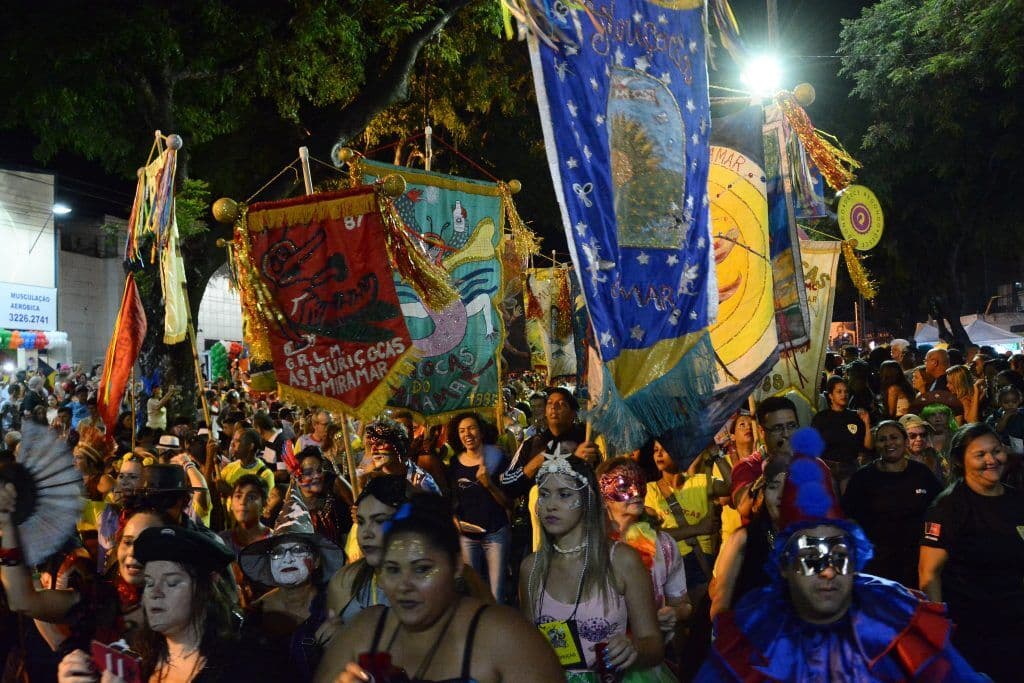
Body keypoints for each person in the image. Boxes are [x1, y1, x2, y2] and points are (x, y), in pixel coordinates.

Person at [697, 428, 984, 681]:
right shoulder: (754, 633)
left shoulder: (895, 618)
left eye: (839, 554)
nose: (829, 570)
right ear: (785, 564)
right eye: (812, 556)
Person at [315, 495, 564, 683]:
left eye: (422, 569)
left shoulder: (505, 638)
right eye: (392, 569)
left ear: (456, 566)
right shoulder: (363, 634)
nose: (404, 585)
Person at [521, 450, 670, 681]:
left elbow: (654, 646)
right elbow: (530, 651)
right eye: (544, 494)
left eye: (563, 494)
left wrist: (634, 649)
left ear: (588, 500)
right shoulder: (531, 569)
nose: (551, 505)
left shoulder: (622, 560)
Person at [57, 525, 262, 682]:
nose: (154, 593)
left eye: (172, 582)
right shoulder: (135, 660)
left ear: (208, 585)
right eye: (149, 582)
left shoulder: (243, 663)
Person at [919, 422, 1024, 681]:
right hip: (971, 628)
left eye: (996, 451)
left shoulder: (1016, 501)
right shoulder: (947, 507)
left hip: (1016, 622)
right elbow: (929, 573)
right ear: (960, 461)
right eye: (980, 455)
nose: (991, 460)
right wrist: (938, 632)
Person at [239, 491, 345, 681]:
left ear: (316, 560)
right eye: (278, 552)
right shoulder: (255, 614)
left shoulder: (336, 607)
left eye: (297, 550)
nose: (287, 559)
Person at [598, 458, 691, 642]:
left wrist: (675, 613)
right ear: (602, 498)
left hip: (652, 654)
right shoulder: (590, 546)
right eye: (624, 486)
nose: (636, 492)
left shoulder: (664, 545)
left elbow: (684, 604)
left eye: (640, 483)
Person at [841, 420, 941, 587]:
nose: (888, 443)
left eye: (894, 437)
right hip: (877, 565)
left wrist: (931, 545)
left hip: (916, 561)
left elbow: (939, 510)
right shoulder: (862, 478)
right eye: (882, 439)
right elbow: (849, 518)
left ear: (905, 441)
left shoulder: (921, 473)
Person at [709, 457, 788, 619]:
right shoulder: (743, 539)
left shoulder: (814, 538)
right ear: (762, 496)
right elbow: (719, 608)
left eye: (789, 488)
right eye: (773, 487)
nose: (781, 496)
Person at [644, 440, 725, 594]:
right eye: (655, 450)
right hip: (669, 564)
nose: (659, 454)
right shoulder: (650, 490)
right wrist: (698, 529)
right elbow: (653, 536)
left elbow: (728, 485)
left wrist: (716, 454)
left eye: (664, 449)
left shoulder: (700, 481)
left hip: (701, 564)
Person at [447, 412, 511, 602]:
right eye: (462, 430)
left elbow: (508, 502)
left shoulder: (498, 459)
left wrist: (489, 484)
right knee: (473, 592)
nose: (467, 434)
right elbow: (452, 499)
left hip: (496, 533)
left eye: (471, 428)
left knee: (496, 594)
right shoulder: (454, 464)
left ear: (481, 431)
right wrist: (454, 519)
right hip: (467, 536)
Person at [730, 396, 799, 524]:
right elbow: (743, 507)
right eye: (778, 428)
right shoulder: (746, 466)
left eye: (791, 426)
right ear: (762, 432)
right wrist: (772, 469)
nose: (787, 434)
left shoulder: (811, 463)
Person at [810, 376, 871, 492]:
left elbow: (868, 445)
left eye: (846, 391)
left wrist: (867, 424)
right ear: (831, 396)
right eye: (839, 392)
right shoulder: (821, 418)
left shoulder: (856, 417)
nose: (844, 395)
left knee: (849, 504)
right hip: (827, 468)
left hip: (849, 467)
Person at [293, 445, 353, 548]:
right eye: (309, 472)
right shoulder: (291, 506)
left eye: (319, 470)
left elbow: (356, 506)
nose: (316, 476)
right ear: (297, 476)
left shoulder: (334, 487)